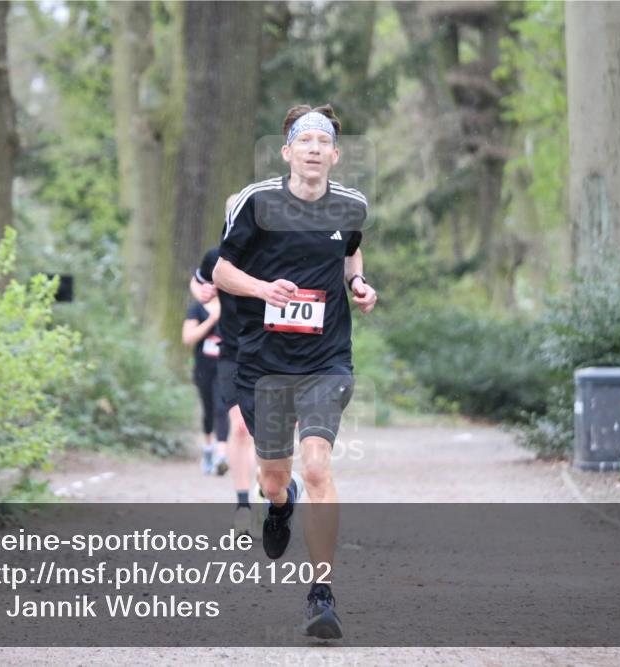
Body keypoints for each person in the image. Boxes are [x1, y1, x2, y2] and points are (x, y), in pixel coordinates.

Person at [213, 104, 378, 639]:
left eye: (321, 141)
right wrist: (263, 289)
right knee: (275, 478)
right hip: (263, 362)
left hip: (326, 359)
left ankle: (321, 593)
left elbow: (352, 255)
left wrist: (358, 285)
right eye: (302, 139)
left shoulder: (351, 206)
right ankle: (279, 506)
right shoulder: (255, 202)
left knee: (317, 466)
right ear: (287, 152)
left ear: (334, 154)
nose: (312, 148)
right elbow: (220, 270)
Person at [190, 195, 260, 536]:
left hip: (275, 352)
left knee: (273, 434)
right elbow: (200, 278)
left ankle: (276, 490)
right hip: (233, 352)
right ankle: (244, 504)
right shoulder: (217, 255)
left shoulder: (271, 253)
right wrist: (201, 292)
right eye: (232, 211)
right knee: (240, 427)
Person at [181, 282, 229, 476]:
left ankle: (221, 456)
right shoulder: (196, 308)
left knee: (221, 408)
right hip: (203, 368)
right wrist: (212, 320)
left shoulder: (231, 307)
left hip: (225, 367)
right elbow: (188, 338)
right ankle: (208, 449)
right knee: (209, 410)